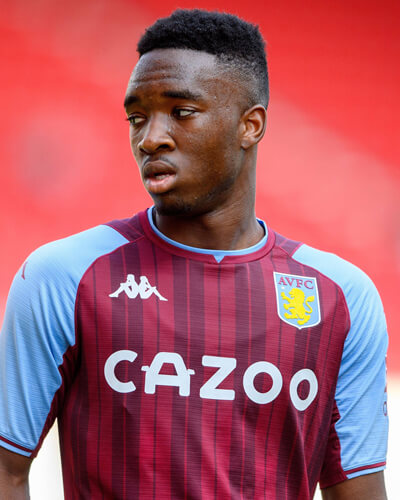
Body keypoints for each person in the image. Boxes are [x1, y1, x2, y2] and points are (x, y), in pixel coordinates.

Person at [0, 9, 388, 500]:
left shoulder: (341, 297)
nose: (150, 137)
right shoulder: (64, 276)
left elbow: (358, 492)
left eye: (181, 112)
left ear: (251, 126)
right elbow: (6, 469)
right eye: (137, 117)